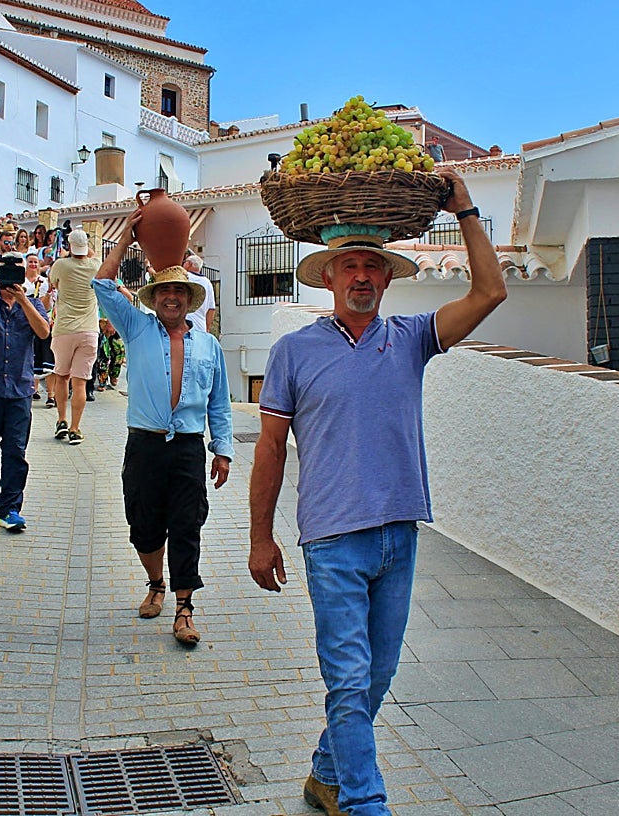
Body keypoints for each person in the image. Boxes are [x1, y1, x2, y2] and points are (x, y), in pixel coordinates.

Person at [247, 169, 506, 815]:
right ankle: (366, 803)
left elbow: (490, 291)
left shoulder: (412, 338)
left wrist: (466, 210)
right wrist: (259, 537)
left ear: (388, 279)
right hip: (332, 539)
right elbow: (271, 448)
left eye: (372, 266)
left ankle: (325, 775)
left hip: (399, 534)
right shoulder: (293, 352)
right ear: (330, 279)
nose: (361, 276)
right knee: (348, 678)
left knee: (375, 678)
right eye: (350, 266)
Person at [93, 211, 233, 646]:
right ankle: (155, 582)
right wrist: (126, 239)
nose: (172, 297)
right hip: (145, 446)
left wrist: (223, 449)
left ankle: (184, 607)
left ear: (190, 299)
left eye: (179, 291)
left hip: (188, 447)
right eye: (165, 291)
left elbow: (219, 402)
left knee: (187, 526)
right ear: (154, 298)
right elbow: (101, 285)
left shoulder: (208, 345)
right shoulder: (136, 327)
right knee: (144, 526)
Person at [0, 267, 50, 533]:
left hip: (19, 388)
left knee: (16, 449)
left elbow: (43, 332)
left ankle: (10, 508)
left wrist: (23, 300)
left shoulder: (33, 304)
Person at [48, 228, 101, 444]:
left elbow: (53, 283)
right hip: (89, 330)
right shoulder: (95, 265)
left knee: (62, 377)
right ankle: (75, 428)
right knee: (80, 383)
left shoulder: (61, 265)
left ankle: (61, 420)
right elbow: (94, 256)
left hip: (64, 329)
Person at [24, 253, 53, 400]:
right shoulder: (21, 281)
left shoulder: (44, 282)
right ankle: (32, 388)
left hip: (41, 319)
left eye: (36, 262)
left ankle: (50, 393)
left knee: (43, 355)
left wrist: (46, 293)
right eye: (30, 262)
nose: (33, 265)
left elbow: (46, 306)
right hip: (24, 320)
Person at [183, 251, 217, 333]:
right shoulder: (207, 282)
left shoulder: (184, 277)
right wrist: (207, 328)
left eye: (185, 262)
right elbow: (211, 309)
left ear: (188, 264)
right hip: (201, 327)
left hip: (184, 326)